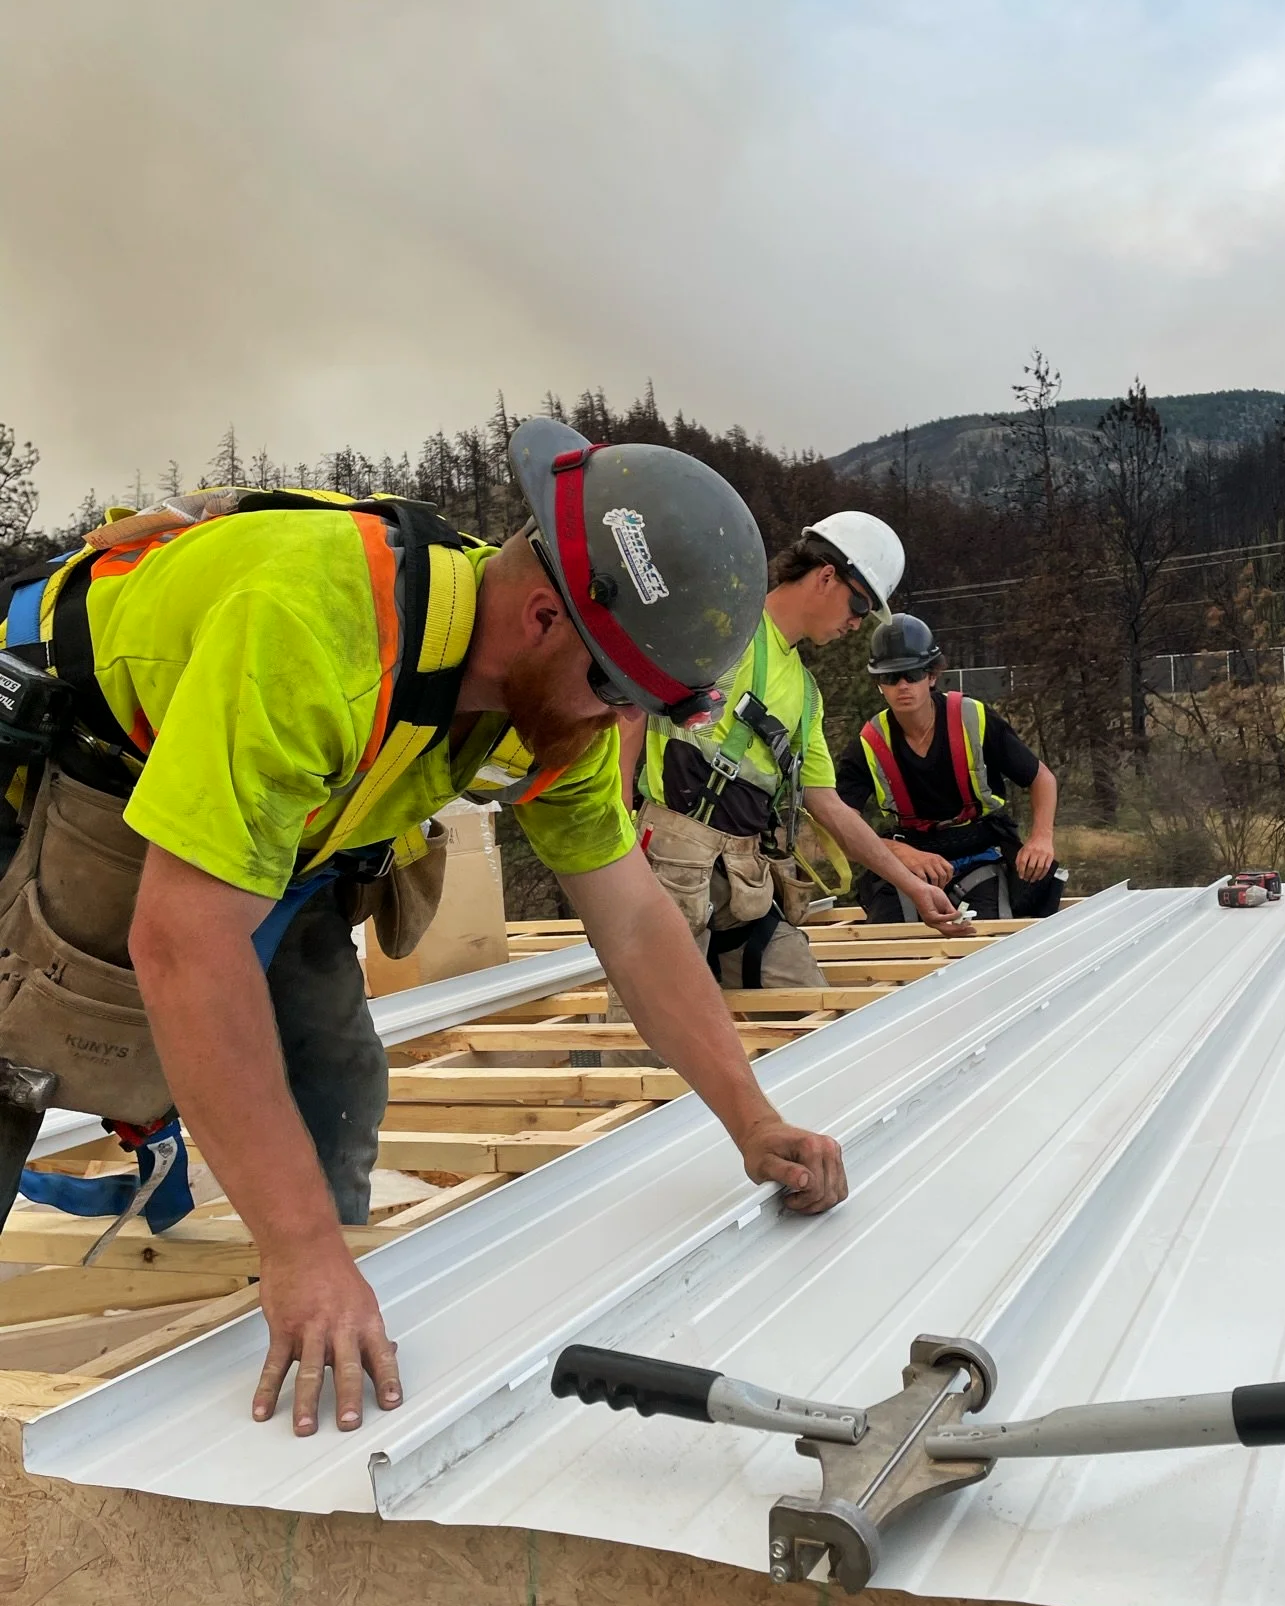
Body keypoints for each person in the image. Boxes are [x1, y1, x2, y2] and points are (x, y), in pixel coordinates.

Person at [0, 417, 848, 1437]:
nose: (617, 729)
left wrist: (752, 1117)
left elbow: (630, 916)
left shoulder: (557, 700)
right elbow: (185, 944)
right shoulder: (314, 633)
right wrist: (301, 1250)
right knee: (29, 1059)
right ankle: (302, 1273)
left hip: (277, 808)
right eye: (616, 695)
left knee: (335, 1068)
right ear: (543, 616)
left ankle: (295, 1307)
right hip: (75, 762)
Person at [622, 514, 966, 990]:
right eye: (859, 604)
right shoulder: (724, 630)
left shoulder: (806, 695)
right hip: (674, 860)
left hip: (744, 877)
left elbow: (828, 805)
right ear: (826, 576)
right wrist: (617, 815)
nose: (856, 623)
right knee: (653, 1024)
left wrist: (913, 886)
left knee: (807, 1010)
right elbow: (631, 708)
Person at [835, 613, 1063, 923]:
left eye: (912, 674)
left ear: (931, 676)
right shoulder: (870, 743)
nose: (903, 686)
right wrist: (902, 855)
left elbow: (1041, 779)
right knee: (891, 933)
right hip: (912, 863)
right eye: (890, 677)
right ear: (879, 684)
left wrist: (1041, 838)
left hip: (980, 852)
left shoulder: (972, 718)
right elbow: (841, 828)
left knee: (989, 936)